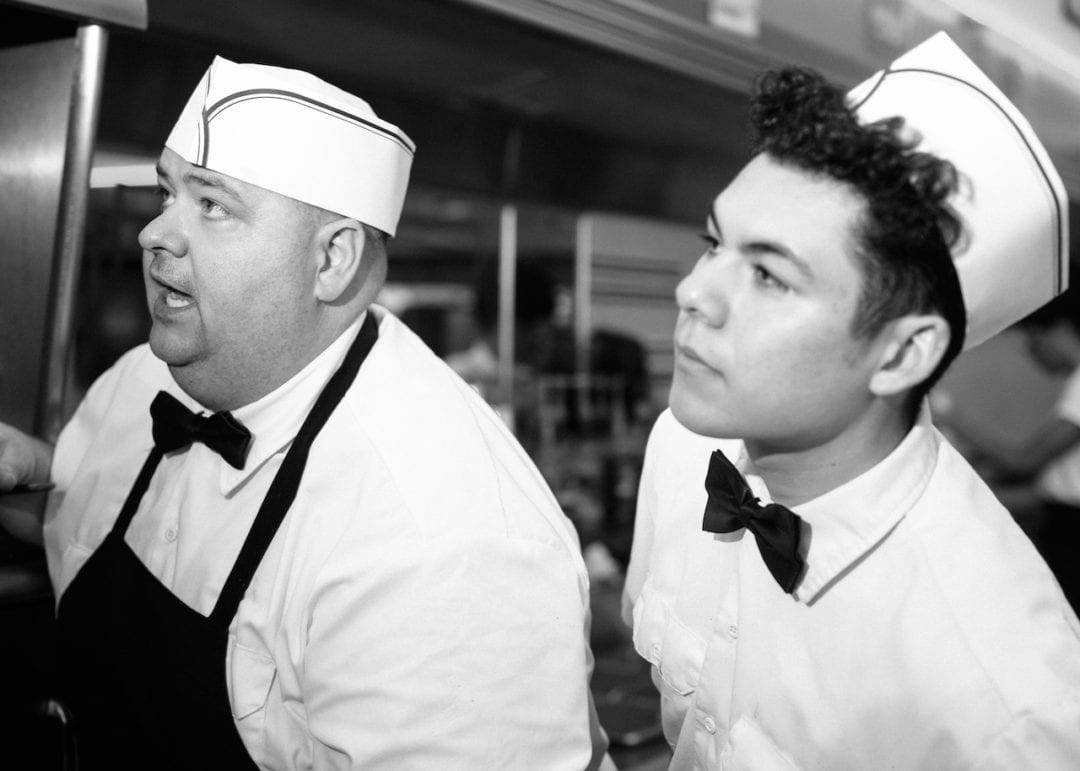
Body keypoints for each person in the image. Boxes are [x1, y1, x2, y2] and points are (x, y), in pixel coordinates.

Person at [0, 57, 611, 769]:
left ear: (332, 261)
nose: (153, 234)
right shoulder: (145, 377)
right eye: (166, 193)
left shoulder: (442, 545)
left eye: (213, 205)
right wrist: (29, 476)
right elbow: (84, 521)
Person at [622, 32, 1080, 769]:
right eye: (714, 243)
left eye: (769, 275)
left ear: (901, 353)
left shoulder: (1009, 701)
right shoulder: (682, 447)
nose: (693, 292)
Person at [945, 289, 1080, 612]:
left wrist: (951, 415)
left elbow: (1024, 461)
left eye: (1033, 337)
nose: (1031, 351)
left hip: (1072, 525)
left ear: (1061, 329)